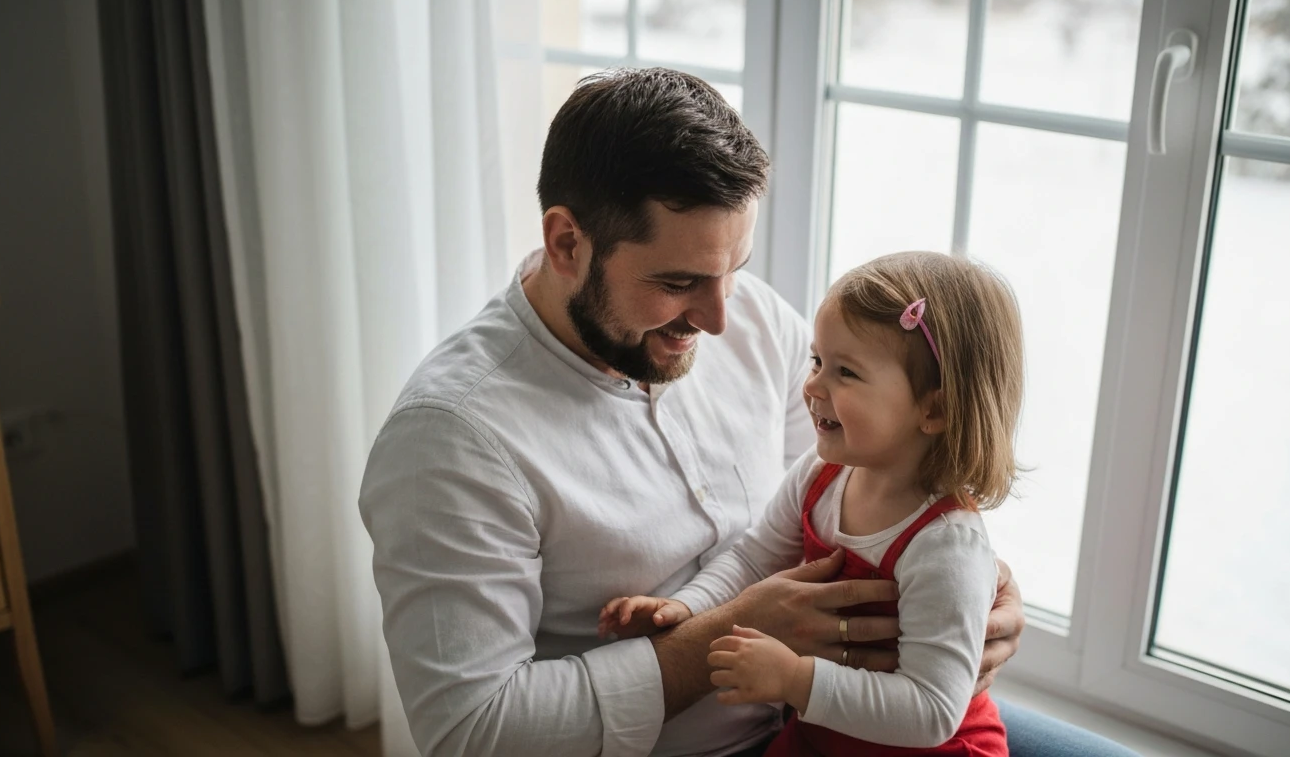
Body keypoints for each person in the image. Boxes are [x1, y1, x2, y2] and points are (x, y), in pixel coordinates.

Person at [359, 67, 1137, 757]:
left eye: (736, 267)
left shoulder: (754, 319)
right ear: (568, 242)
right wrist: (720, 644)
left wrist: (979, 596)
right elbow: (473, 735)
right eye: (677, 282)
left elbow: (862, 485)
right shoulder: (452, 441)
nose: (722, 319)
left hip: (861, 719)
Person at [601, 252, 1022, 755]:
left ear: (933, 408)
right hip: (823, 736)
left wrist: (796, 679)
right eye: (818, 360)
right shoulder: (822, 474)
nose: (812, 385)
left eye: (846, 373)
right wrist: (686, 608)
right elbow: (754, 559)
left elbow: (931, 712)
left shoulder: (946, 546)